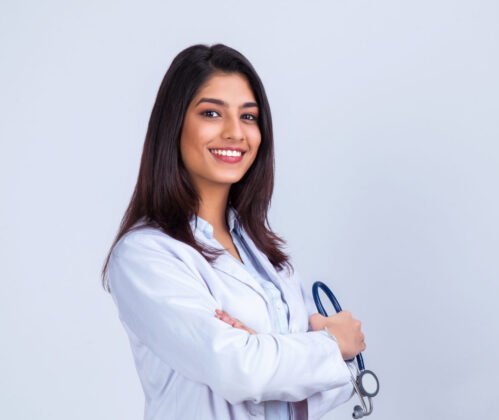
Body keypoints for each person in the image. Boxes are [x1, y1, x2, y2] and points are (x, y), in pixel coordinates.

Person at [101, 43, 366, 420]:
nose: (234, 132)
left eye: (249, 117)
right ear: (174, 124)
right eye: (211, 113)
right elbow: (238, 371)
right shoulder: (145, 255)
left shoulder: (270, 258)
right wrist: (325, 345)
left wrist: (263, 350)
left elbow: (336, 383)